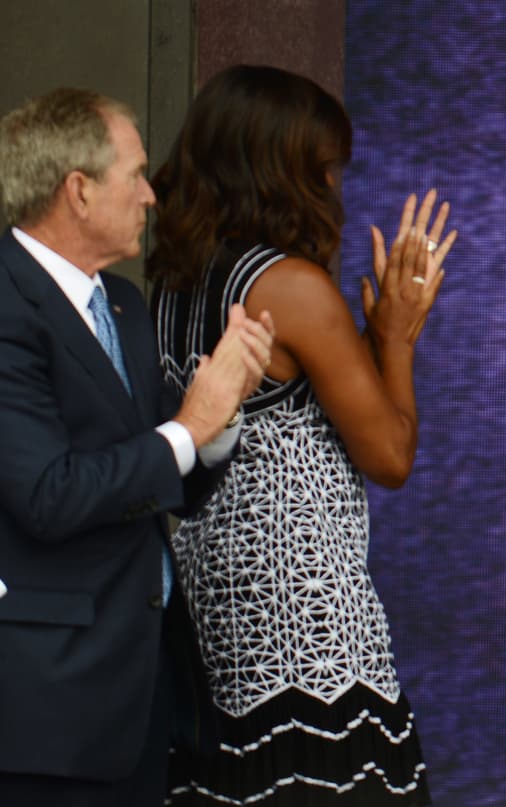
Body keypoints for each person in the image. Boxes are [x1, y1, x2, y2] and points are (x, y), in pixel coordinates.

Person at [146, 65, 454, 806]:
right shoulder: (290, 285)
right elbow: (391, 455)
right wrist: (398, 337)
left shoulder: (174, 285)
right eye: (322, 168)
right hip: (305, 625)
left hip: (215, 605)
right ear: (277, 170)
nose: (333, 189)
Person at [0, 88, 273, 807]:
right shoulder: (5, 306)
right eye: (137, 174)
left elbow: (165, 473)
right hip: (47, 702)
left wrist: (221, 415)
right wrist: (189, 425)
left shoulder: (121, 302)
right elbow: (47, 495)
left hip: (141, 686)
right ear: (79, 190)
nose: (152, 195)